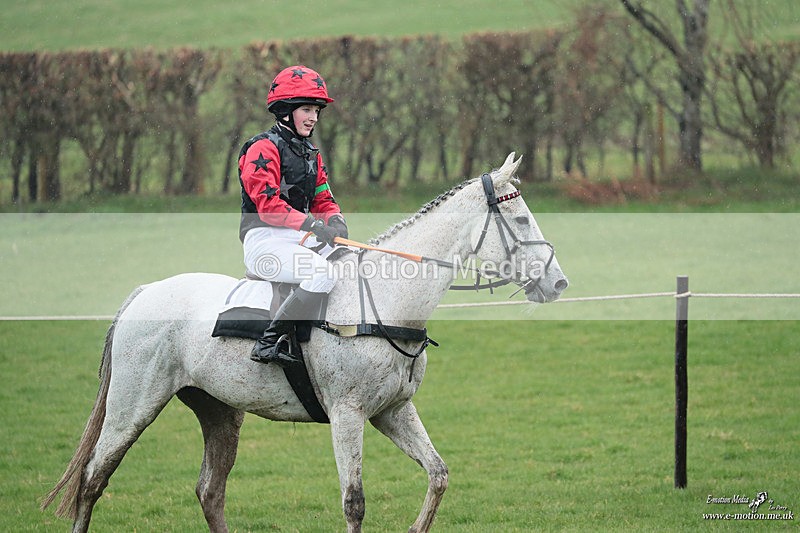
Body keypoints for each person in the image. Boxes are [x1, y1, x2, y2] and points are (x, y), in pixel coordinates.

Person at [238, 65, 348, 366]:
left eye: (316, 110)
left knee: (349, 260)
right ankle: (269, 341)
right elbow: (268, 207)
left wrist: (335, 220)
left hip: (299, 237)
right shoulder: (261, 148)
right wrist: (312, 224)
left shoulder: (312, 153)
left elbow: (323, 199)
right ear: (286, 111)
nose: (313, 117)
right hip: (264, 242)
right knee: (322, 273)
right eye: (307, 109)